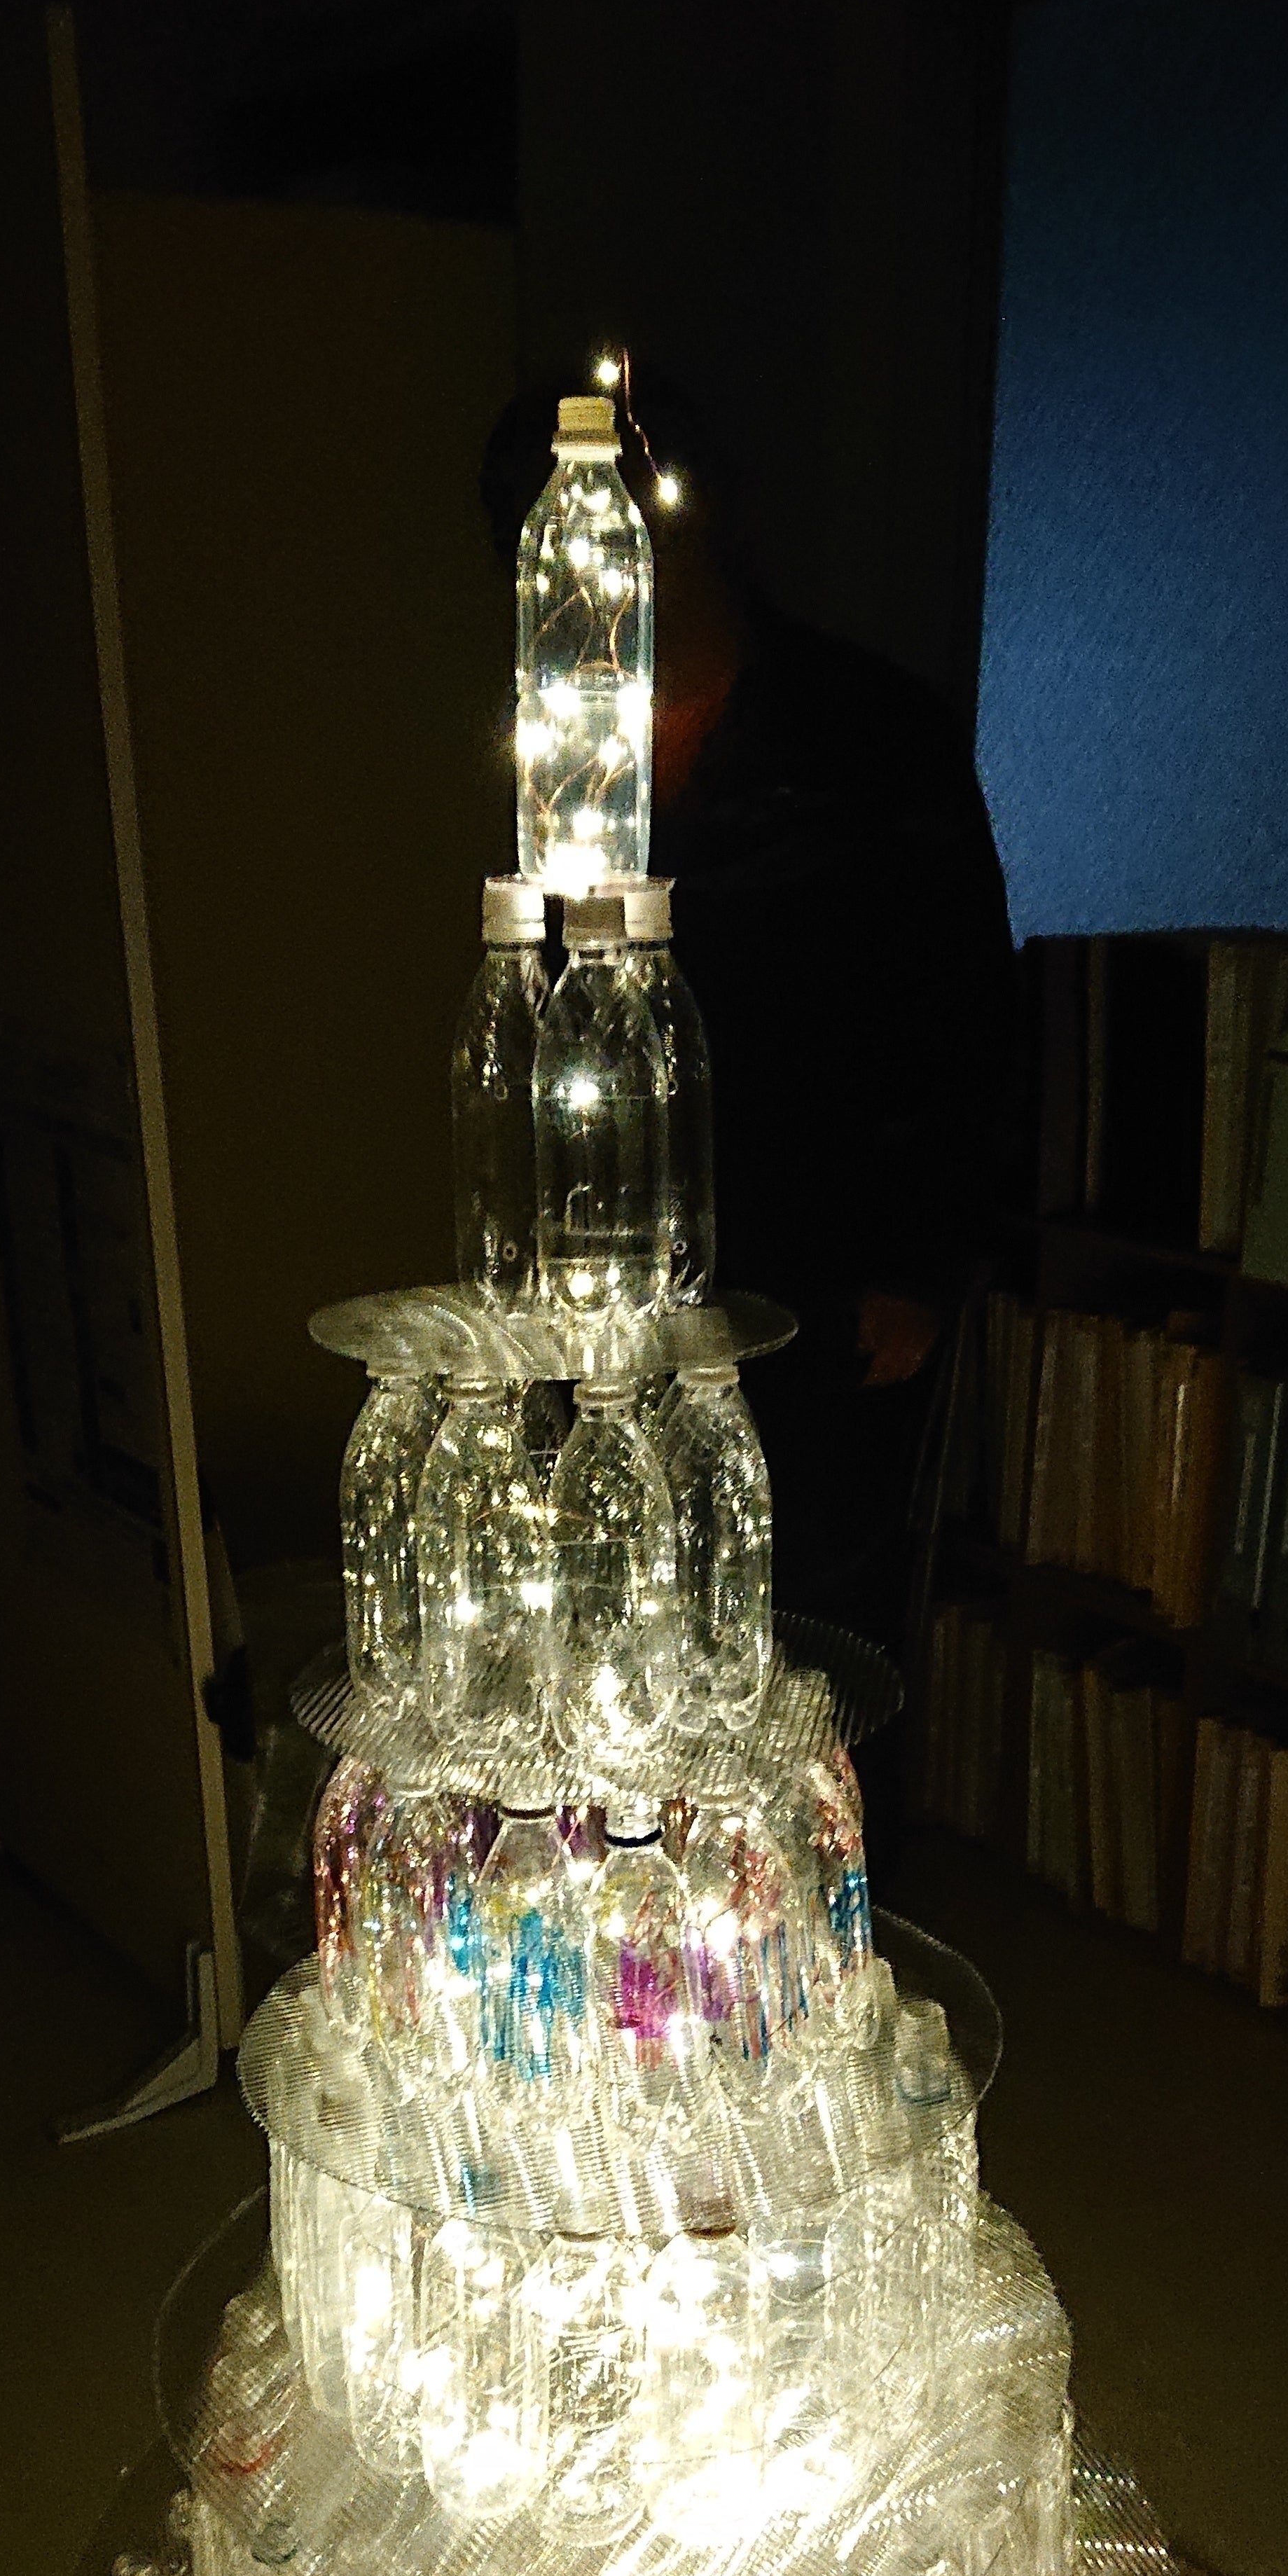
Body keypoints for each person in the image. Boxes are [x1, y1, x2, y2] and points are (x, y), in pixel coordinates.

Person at [480, 367, 1018, 1666]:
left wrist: (914, 1263)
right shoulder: (559, 756)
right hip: (615, 1281)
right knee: (627, 1612)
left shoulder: (866, 734)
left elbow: (961, 1001)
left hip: (822, 1276)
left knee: (810, 1627)